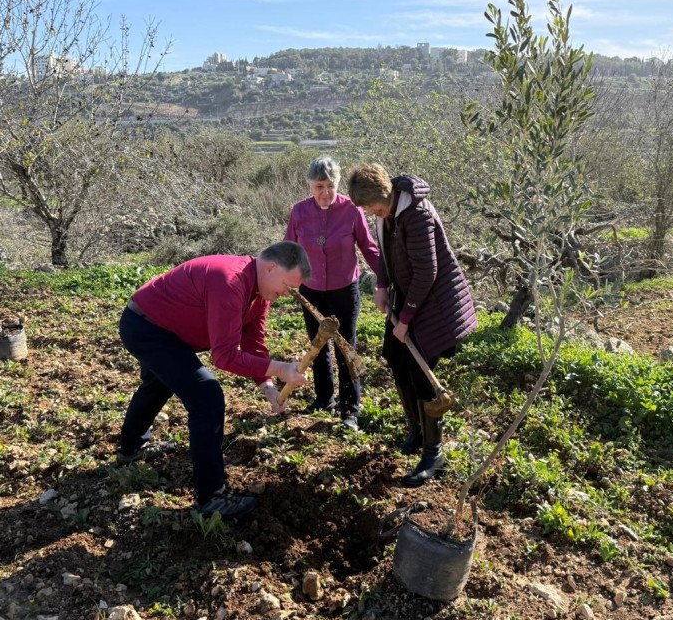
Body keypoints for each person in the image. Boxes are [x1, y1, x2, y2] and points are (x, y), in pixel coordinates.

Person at [117, 242, 311, 521]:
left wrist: (267, 385)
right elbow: (224, 357)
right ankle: (211, 498)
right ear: (271, 267)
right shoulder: (230, 282)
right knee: (207, 397)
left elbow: (253, 341)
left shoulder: (259, 292)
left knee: (159, 384)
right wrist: (281, 368)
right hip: (146, 326)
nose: (285, 294)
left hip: (168, 332)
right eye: (286, 285)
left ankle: (130, 449)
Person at [346, 163, 477, 486]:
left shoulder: (416, 215)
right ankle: (416, 432)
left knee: (421, 374)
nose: (370, 212)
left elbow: (427, 272)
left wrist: (405, 319)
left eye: (372, 206)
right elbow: (388, 257)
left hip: (433, 305)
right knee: (394, 355)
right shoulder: (387, 214)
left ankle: (434, 452)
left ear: (386, 194)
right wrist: (381, 286)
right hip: (406, 296)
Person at [284, 156, 381, 431]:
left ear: (337, 183)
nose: (325, 192)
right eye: (319, 186)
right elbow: (289, 249)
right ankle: (324, 398)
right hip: (311, 289)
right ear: (310, 186)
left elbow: (369, 248)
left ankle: (350, 408)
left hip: (344, 291)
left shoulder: (352, 210)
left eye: (330, 185)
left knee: (344, 346)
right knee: (317, 344)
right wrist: (281, 277)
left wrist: (386, 280)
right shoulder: (299, 212)